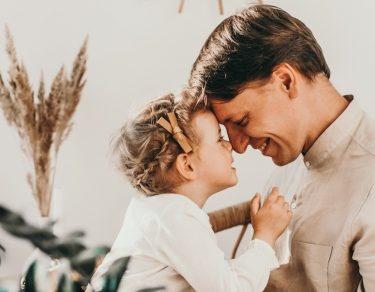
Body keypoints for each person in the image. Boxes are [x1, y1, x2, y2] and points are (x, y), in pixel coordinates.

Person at [188, 4, 375, 291]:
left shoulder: (369, 182)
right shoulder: (288, 167)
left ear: (285, 82)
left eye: (241, 120)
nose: (237, 146)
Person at [90, 93, 291, 291]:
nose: (229, 145)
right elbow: (231, 288)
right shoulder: (175, 216)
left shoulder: (156, 212)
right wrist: (265, 237)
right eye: (219, 138)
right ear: (187, 166)